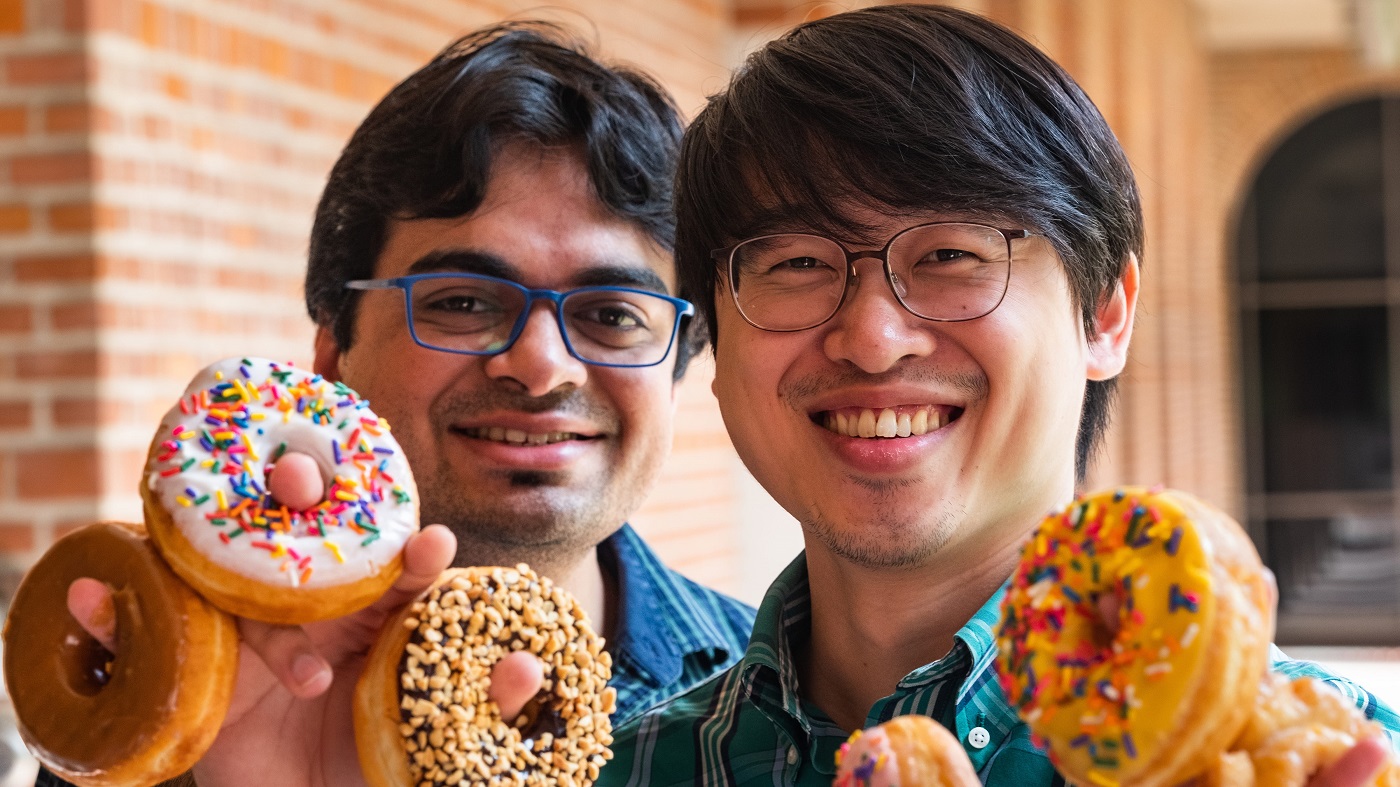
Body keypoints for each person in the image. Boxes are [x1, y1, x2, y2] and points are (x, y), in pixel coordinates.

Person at [601, 5, 1400, 786]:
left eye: (952, 252)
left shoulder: (1335, 759)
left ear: (1105, 312)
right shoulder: (630, 769)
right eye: (797, 265)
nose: (874, 337)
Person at [39, 22, 754, 787]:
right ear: (332, 359)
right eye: (463, 300)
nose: (543, 367)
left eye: (613, 314)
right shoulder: (164, 716)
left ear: (678, 367)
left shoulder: (784, 701)